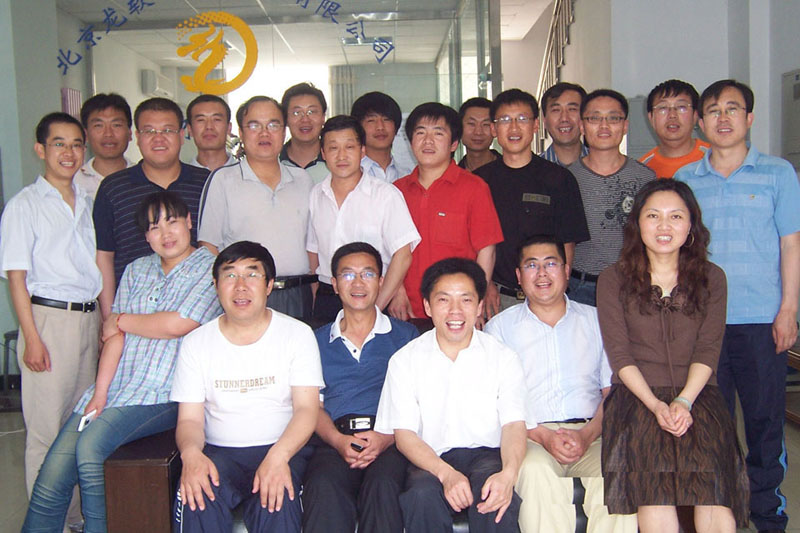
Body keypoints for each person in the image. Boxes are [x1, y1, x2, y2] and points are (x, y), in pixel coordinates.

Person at [22, 191, 222, 533]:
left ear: (189, 221)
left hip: (165, 393)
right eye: (154, 227)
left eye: (172, 222)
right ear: (146, 236)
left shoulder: (212, 268)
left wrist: (122, 320)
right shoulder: (135, 270)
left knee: (91, 448)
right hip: (118, 389)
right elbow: (113, 336)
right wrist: (99, 394)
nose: (165, 233)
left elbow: (178, 324)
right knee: (53, 473)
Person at [675, 79, 800, 533]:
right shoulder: (686, 180)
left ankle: (768, 516)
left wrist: (788, 311)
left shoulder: (778, 173)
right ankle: (719, 515)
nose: (723, 118)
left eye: (732, 109)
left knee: (766, 425)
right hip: (702, 326)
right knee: (711, 426)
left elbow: (791, 244)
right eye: (713, 110)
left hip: (762, 321)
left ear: (749, 118)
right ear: (700, 122)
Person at [596, 179, 749, 532]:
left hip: (698, 393)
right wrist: (656, 406)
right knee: (656, 489)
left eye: (676, 216)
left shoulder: (712, 278)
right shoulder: (613, 279)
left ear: (691, 225)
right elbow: (620, 355)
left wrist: (683, 401)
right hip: (637, 397)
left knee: (713, 491)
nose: (664, 226)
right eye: (653, 216)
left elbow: (708, 348)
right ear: (637, 224)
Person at [486, 235, 637, 533]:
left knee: (618, 468)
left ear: (567, 271)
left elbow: (613, 393)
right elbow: (498, 401)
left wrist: (588, 435)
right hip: (530, 437)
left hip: (593, 433)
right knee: (534, 471)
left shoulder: (598, 321)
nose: (542, 273)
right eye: (532, 265)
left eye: (551, 264)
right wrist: (543, 437)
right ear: (518, 276)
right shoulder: (499, 329)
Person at [170, 241, 324, 533]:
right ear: (216, 285)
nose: (240, 286)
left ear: (269, 286)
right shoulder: (196, 343)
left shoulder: (297, 335)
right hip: (220, 452)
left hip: (282, 447)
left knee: (278, 498)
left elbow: (307, 409)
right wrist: (191, 455)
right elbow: (189, 420)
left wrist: (279, 456)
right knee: (197, 493)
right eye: (230, 275)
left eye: (252, 275)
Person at [0, 112, 102, 531]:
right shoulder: (24, 206)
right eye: (59, 143)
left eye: (76, 144)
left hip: (89, 319)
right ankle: (47, 524)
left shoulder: (88, 200)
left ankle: (74, 518)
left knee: (79, 428)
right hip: (48, 320)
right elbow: (16, 278)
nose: (69, 152)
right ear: (40, 149)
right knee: (45, 432)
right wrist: (32, 338)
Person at [375, 257, 527, 532]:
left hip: (488, 456)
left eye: (466, 300)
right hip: (431, 459)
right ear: (427, 306)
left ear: (479, 306)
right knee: (421, 496)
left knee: (495, 497)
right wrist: (446, 474)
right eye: (444, 300)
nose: (455, 311)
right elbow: (405, 435)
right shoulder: (404, 360)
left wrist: (508, 474)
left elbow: (514, 425)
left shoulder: (503, 357)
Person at [302, 242, 418, 533]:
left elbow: (419, 403)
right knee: (322, 485)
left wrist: (386, 438)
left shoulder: (406, 336)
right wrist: (338, 441)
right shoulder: (313, 341)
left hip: (390, 439)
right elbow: (311, 407)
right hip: (334, 439)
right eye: (348, 275)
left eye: (367, 274)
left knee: (384, 486)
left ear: (381, 282)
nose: (358, 283)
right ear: (334, 284)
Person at [198, 96, 316, 319]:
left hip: (298, 294)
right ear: (241, 133)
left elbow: (312, 243)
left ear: (284, 132)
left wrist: (313, 290)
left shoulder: (303, 180)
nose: (264, 133)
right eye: (254, 126)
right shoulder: (223, 180)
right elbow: (208, 247)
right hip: (245, 294)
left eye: (273, 125)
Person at [93, 97, 209, 318]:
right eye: (149, 131)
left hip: (195, 310)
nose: (158, 138)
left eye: (167, 130)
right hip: (132, 310)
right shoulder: (113, 188)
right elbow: (104, 256)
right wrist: (109, 318)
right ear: (137, 137)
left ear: (182, 135)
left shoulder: (207, 183)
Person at [474, 88, 589, 312]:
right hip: (495, 298)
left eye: (522, 119)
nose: (514, 128)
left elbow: (567, 243)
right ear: (494, 129)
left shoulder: (560, 179)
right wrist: (483, 284)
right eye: (505, 120)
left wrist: (558, 290)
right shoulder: (479, 181)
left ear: (536, 125)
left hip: (545, 294)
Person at [392, 102, 503, 321]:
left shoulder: (475, 188)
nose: (428, 141)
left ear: (453, 144)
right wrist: (396, 291)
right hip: (407, 310)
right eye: (420, 133)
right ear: (411, 141)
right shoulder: (397, 191)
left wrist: (476, 302)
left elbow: (486, 251)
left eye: (438, 133)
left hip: (457, 311)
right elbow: (389, 250)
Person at [308, 115, 420, 322]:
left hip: (372, 295)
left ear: (362, 151)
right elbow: (313, 250)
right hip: (328, 296)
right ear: (323, 153)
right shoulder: (316, 194)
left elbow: (403, 255)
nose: (341, 155)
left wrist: (377, 307)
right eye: (333, 148)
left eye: (349, 147)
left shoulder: (386, 195)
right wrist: (317, 294)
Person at [568, 89, 656, 306]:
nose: (604, 126)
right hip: (579, 287)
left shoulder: (645, 178)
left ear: (625, 126)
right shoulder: (567, 178)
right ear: (582, 126)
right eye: (595, 118)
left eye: (613, 118)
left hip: (631, 285)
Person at [640, 79, 710, 179]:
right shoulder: (642, 170)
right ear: (651, 118)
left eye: (681, 107)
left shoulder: (714, 157)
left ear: (695, 115)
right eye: (663, 108)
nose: (672, 115)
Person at [74, 93, 134, 198]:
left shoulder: (145, 178)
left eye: (116, 125)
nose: (108, 133)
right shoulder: (74, 182)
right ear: (86, 135)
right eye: (99, 126)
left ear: (129, 133)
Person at [351, 91, 413, 183]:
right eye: (371, 120)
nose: (380, 127)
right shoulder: (350, 175)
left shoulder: (407, 175)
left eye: (386, 119)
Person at [280, 82, 329, 183]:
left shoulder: (337, 161)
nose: (305, 119)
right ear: (286, 119)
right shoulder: (274, 162)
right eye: (297, 113)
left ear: (323, 117)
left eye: (311, 112)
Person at [538, 82, 589, 167]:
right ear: (544, 120)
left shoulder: (604, 166)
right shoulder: (532, 170)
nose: (564, 118)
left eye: (572, 109)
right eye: (556, 110)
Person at [185, 94, 237, 171]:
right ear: (190, 129)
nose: (209, 126)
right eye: (201, 120)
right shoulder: (178, 177)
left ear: (229, 128)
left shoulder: (248, 175)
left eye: (216, 119)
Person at [457, 97, 500, 173]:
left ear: (495, 129)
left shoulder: (510, 173)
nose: (478, 132)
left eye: (486, 124)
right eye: (471, 124)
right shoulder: (452, 174)